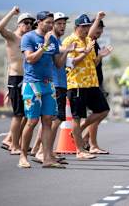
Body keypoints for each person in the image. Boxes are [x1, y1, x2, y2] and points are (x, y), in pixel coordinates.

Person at [19, 11, 70, 169]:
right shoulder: (29, 37)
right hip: (32, 84)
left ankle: (47, 157)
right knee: (32, 121)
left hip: (49, 85)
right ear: (39, 22)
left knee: (48, 121)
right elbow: (30, 59)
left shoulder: (53, 39)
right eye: (48, 22)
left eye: (51, 23)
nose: (50, 25)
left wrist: (66, 52)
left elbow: (58, 64)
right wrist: (44, 46)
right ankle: (23, 156)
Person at [62, 13, 110, 158]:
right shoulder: (70, 41)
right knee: (77, 117)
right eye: (83, 27)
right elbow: (71, 63)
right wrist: (85, 52)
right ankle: (80, 151)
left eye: (87, 26)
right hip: (77, 84)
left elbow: (93, 63)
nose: (86, 29)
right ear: (77, 27)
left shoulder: (89, 40)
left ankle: (80, 130)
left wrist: (100, 55)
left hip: (92, 84)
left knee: (103, 110)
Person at [31, 12, 74, 163]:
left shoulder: (56, 41)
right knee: (54, 120)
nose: (62, 26)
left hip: (60, 83)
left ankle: (41, 150)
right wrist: (69, 50)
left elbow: (59, 63)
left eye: (64, 23)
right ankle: (43, 151)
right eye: (58, 23)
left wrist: (68, 53)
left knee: (51, 119)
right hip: (54, 84)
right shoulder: (51, 38)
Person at [0, 6, 34, 155]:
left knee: (27, 114)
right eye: (25, 22)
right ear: (19, 24)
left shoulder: (28, 39)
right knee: (18, 115)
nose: (28, 25)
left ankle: (12, 141)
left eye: (30, 23)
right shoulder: (13, 37)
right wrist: (12, 12)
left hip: (27, 78)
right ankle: (13, 146)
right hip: (16, 78)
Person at [82, 12, 113, 154]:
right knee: (99, 111)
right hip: (90, 83)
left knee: (100, 113)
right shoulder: (89, 43)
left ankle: (87, 139)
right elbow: (91, 64)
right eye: (97, 31)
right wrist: (101, 56)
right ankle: (90, 142)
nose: (99, 33)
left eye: (101, 31)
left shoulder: (95, 43)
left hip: (97, 82)